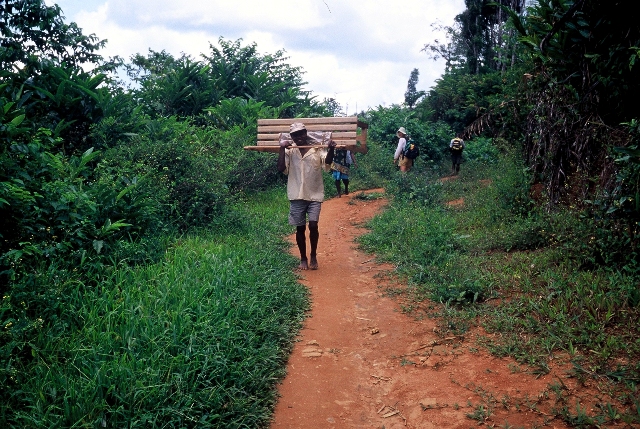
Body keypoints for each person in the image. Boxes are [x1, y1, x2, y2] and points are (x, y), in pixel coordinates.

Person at [278, 122, 336, 270]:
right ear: (292, 137)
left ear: (306, 133)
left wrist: (331, 150)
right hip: (296, 194)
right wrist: (281, 148)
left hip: (315, 194)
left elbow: (327, 163)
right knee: (300, 228)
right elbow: (281, 168)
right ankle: (303, 257)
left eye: (301, 133)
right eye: (295, 135)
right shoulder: (290, 151)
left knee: (313, 225)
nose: (299, 137)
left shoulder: (317, 149)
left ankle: (313, 255)